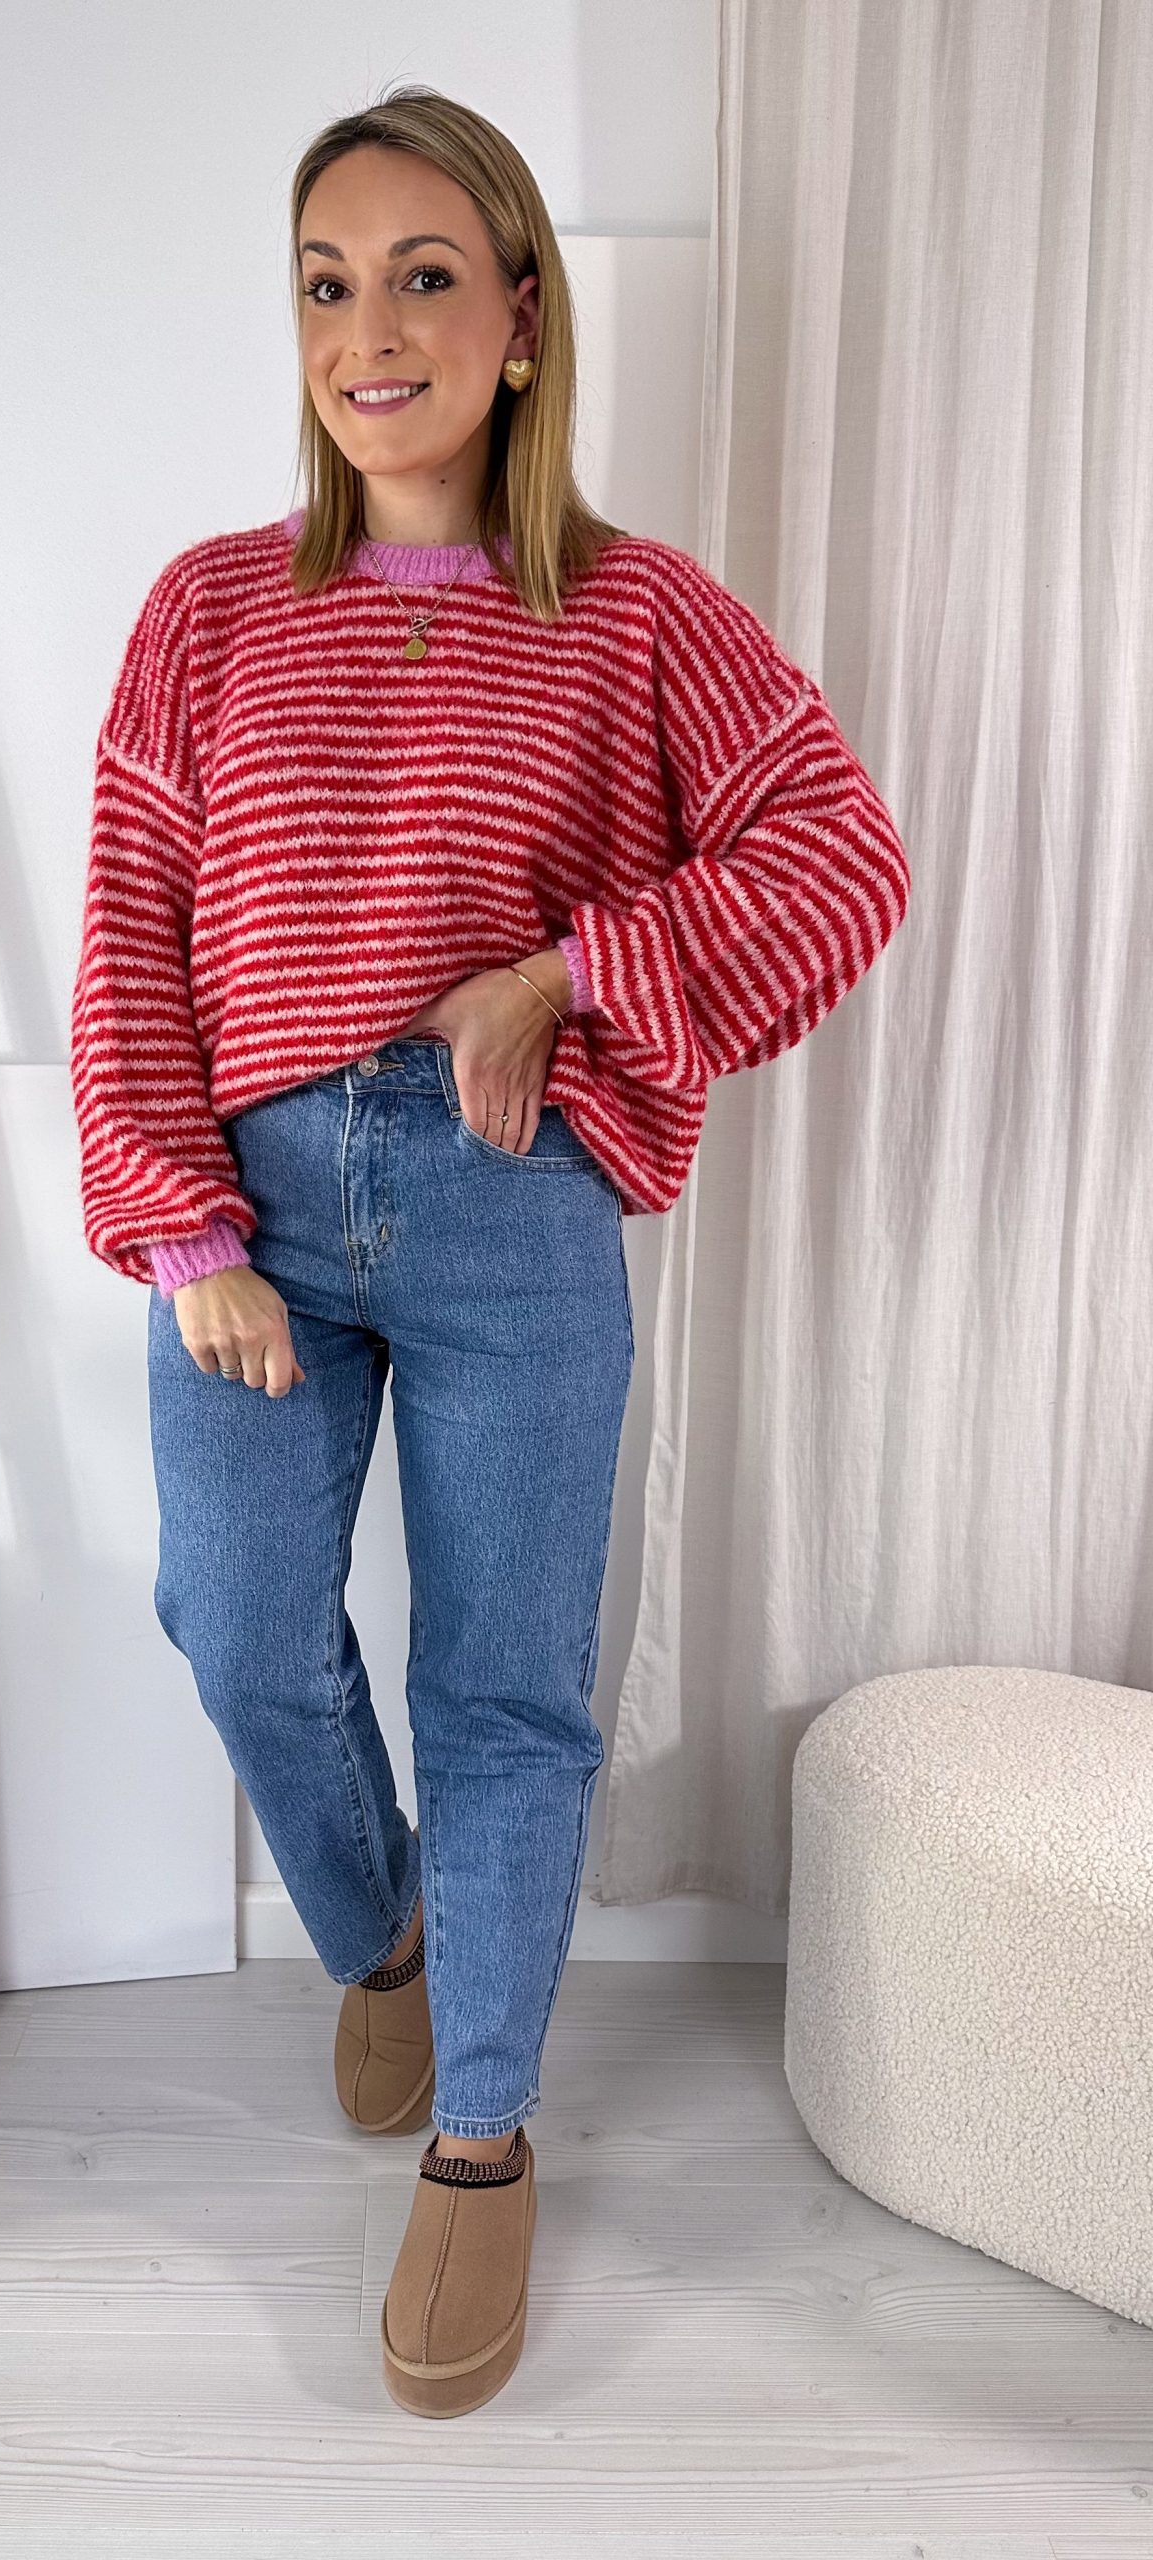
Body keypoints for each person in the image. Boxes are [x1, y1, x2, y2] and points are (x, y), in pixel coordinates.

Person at [69, 84, 910, 2420]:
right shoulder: (207, 607)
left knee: (507, 1689)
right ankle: (390, 1937)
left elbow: (841, 855)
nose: (372, 329)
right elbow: (129, 927)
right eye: (326, 285)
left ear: (521, 315)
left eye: (424, 276)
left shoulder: (635, 613)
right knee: (238, 1622)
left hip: (509, 1199)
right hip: (252, 1199)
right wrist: (177, 1220)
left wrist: (568, 973)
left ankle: (485, 2131)